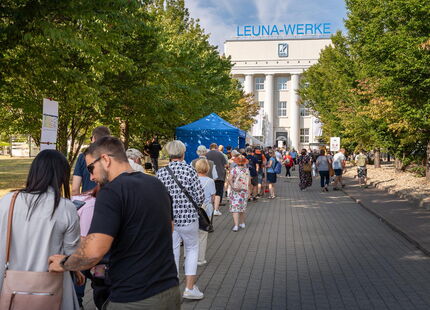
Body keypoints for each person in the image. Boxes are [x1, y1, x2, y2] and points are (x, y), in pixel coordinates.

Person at [49, 136, 180, 309]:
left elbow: (93, 253)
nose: (91, 176)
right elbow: (167, 228)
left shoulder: (111, 191)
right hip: (170, 290)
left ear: (105, 159)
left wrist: (64, 263)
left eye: (91, 168)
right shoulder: (156, 184)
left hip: (134, 297)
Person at [0, 150, 82, 310]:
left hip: (11, 288)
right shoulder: (66, 208)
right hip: (53, 290)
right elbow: (71, 252)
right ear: (61, 176)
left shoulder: (7, 202)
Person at [156, 140, 205, 300]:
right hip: (189, 218)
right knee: (191, 250)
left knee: (172, 251)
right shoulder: (189, 170)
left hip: (168, 219)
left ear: (169, 154)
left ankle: (173, 288)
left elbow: (158, 198)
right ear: (183, 153)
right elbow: (199, 196)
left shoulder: (161, 173)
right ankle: (190, 288)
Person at [72, 126, 111, 195]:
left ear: (93, 138)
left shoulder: (82, 157)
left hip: (87, 201)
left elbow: (75, 189)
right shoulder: (114, 158)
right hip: (109, 202)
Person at [195, 159, 216, 266]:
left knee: (192, 234)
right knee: (203, 234)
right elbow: (213, 197)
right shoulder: (210, 181)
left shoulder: (192, 180)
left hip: (193, 209)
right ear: (207, 168)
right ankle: (200, 259)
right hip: (205, 209)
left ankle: (188, 256)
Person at [228, 155, 250, 231]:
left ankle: (236, 225)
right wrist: (249, 191)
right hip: (244, 191)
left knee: (235, 208)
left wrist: (232, 186)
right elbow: (248, 182)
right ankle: (242, 223)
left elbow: (230, 179)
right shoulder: (247, 170)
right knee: (242, 208)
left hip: (235, 191)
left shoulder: (234, 170)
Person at [206, 143, 228, 216]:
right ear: (216, 147)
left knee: (210, 192)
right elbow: (226, 165)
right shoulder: (220, 154)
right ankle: (216, 209)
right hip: (219, 176)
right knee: (218, 192)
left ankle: (210, 208)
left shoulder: (207, 154)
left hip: (209, 176)